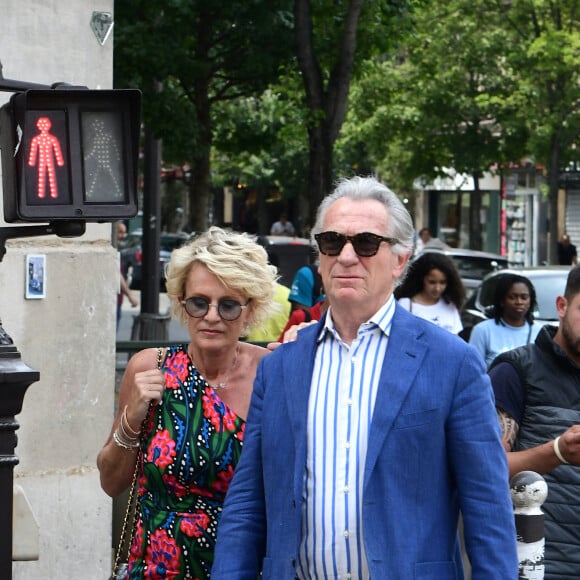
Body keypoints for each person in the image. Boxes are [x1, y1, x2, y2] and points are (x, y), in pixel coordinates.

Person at [211, 176, 518, 579]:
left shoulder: (452, 364)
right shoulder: (279, 368)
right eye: (332, 242)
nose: (347, 257)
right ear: (319, 256)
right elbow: (248, 503)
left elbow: (487, 507)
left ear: (400, 260)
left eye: (367, 243)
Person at [97, 226, 278, 579]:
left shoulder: (271, 373)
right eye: (199, 302)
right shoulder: (151, 367)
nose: (211, 316)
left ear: (250, 309)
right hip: (156, 568)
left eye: (228, 305)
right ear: (182, 303)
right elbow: (110, 482)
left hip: (242, 566)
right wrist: (131, 419)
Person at [488, 264, 580, 578]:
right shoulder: (515, 372)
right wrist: (556, 452)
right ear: (562, 306)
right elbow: (485, 467)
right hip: (536, 563)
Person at [469, 273, 543, 367]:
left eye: (524, 297)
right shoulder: (482, 330)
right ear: (502, 301)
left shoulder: (540, 332)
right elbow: (473, 370)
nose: (519, 302)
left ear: (530, 301)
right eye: (512, 297)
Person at [394, 251, 465, 334]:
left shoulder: (450, 305)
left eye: (442, 282)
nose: (437, 288)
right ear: (421, 279)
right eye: (432, 282)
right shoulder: (405, 304)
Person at [116, 221, 138, 331]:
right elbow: (116, 274)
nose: (123, 236)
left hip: (117, 302)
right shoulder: (112, 250)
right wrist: (130, 295)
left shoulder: (117, 250)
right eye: (120, 232)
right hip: (113, 302)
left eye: (124, 233)